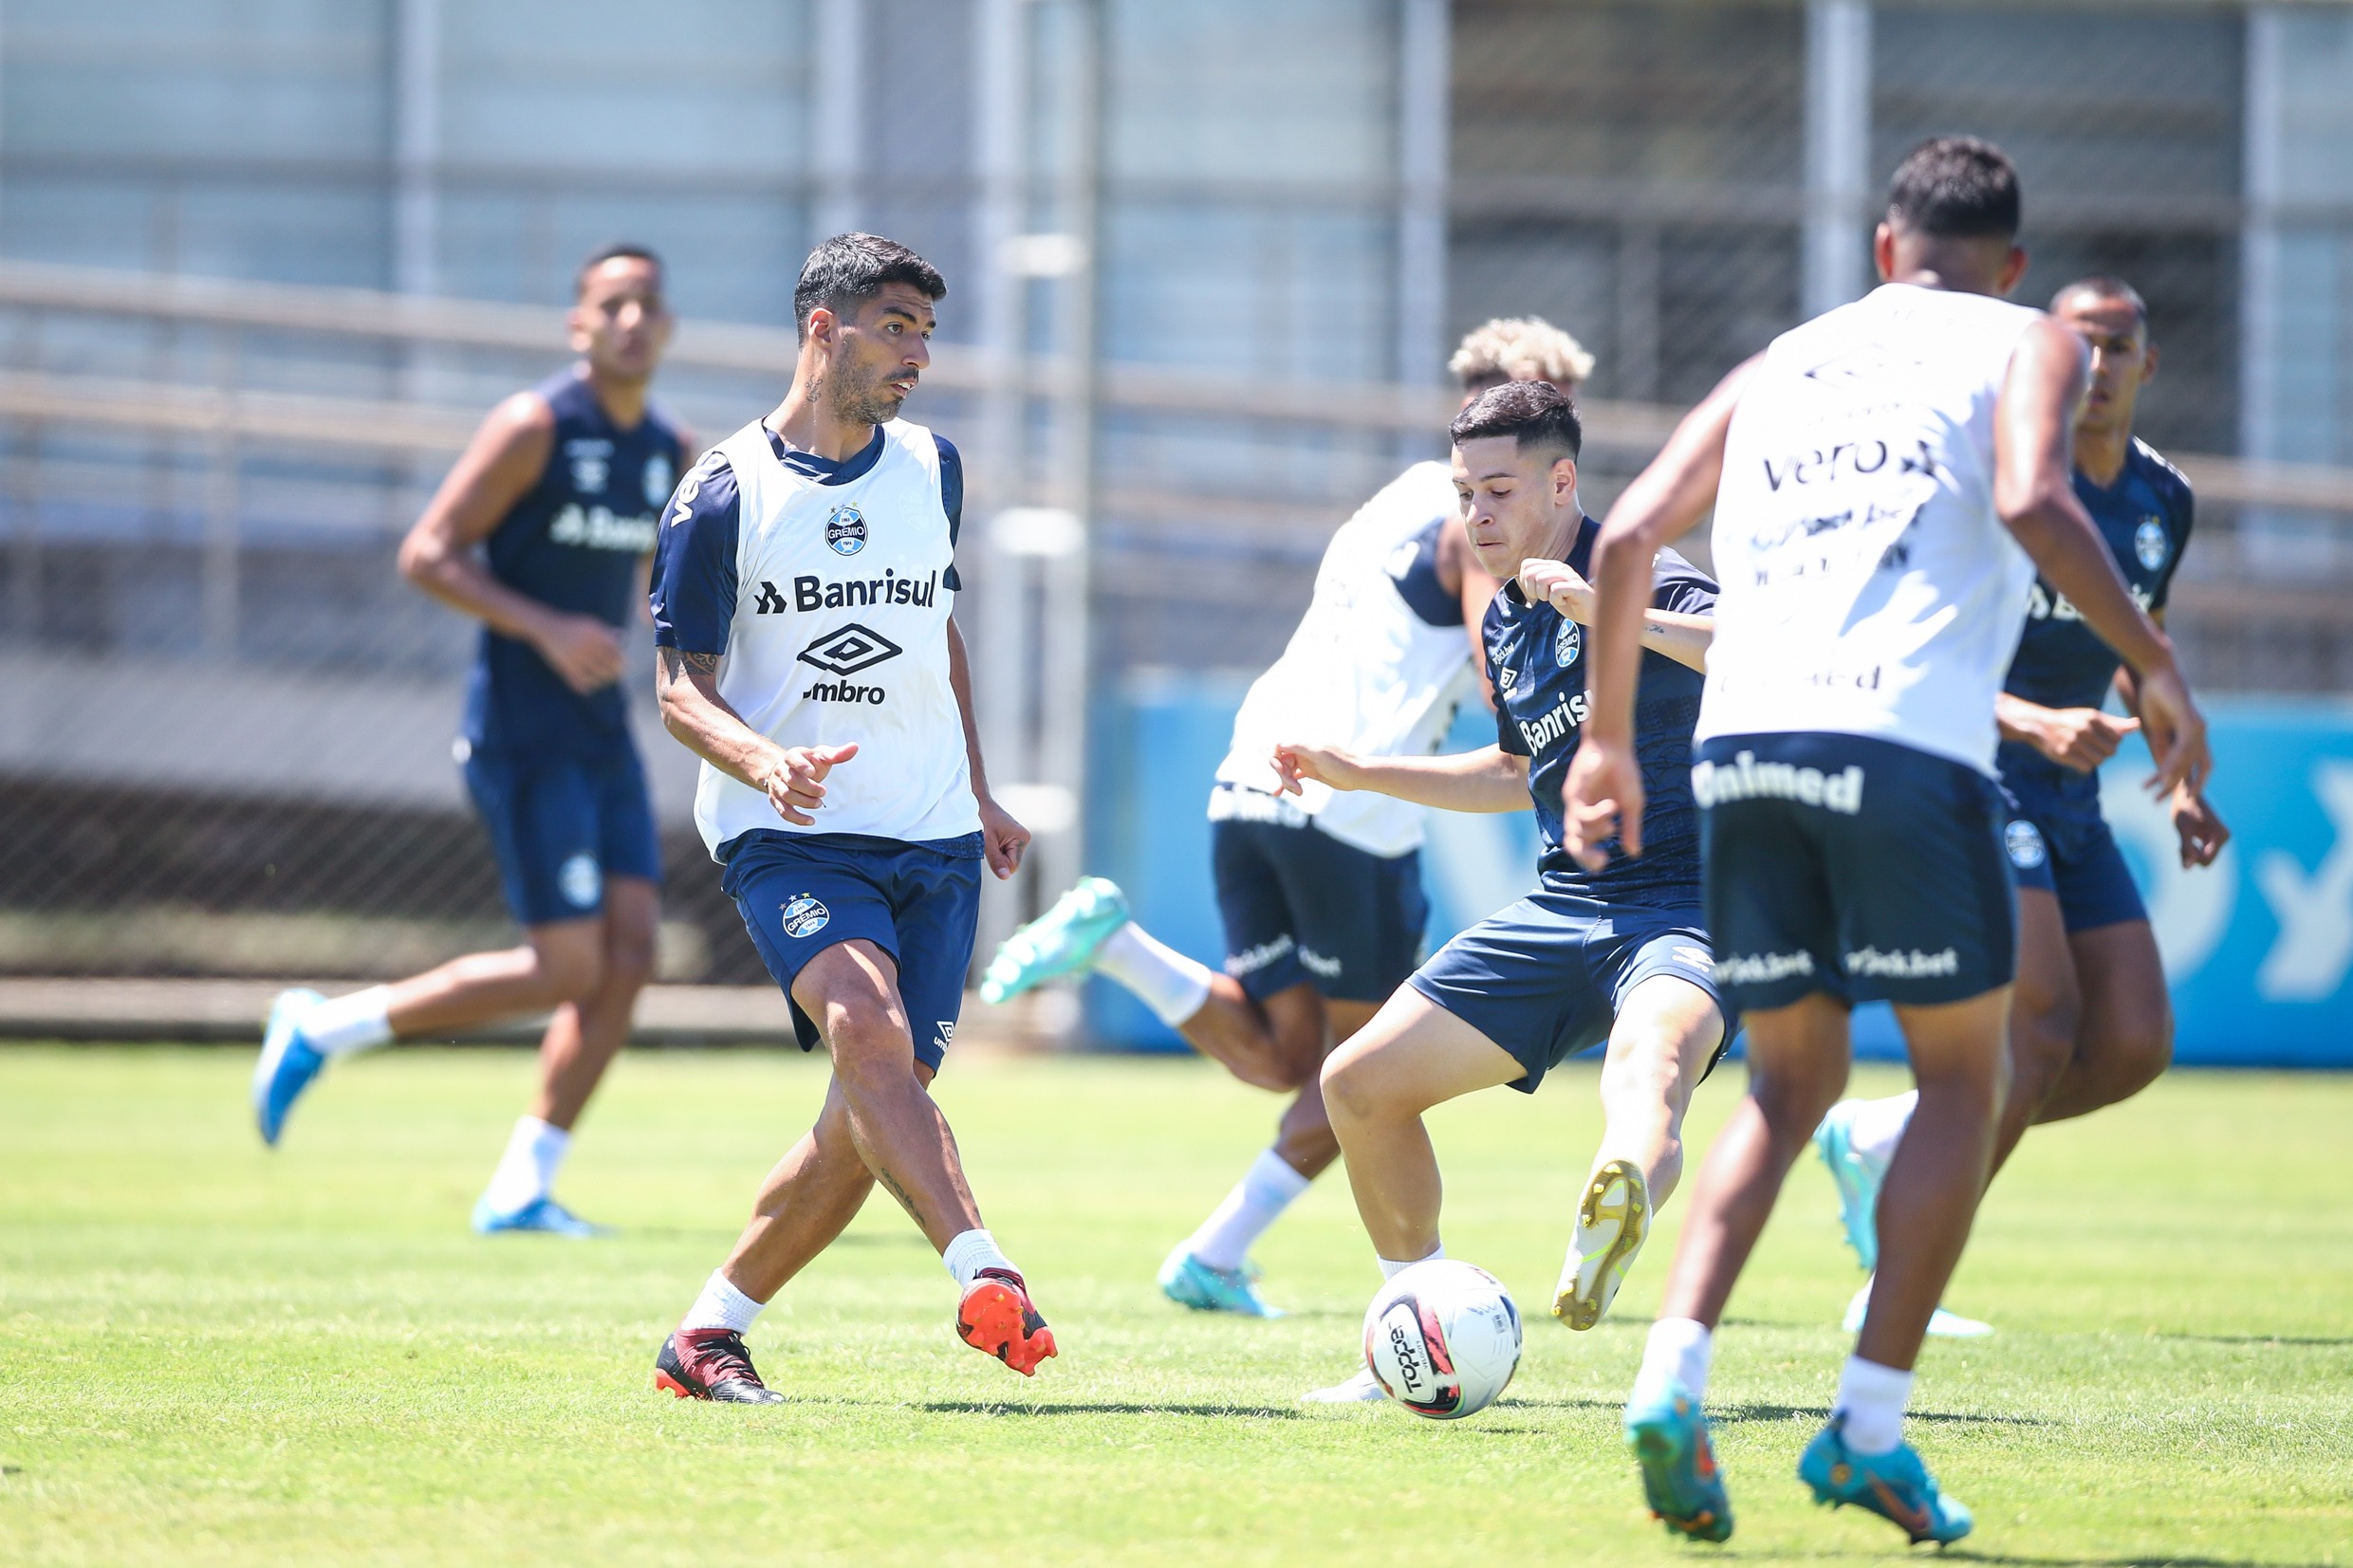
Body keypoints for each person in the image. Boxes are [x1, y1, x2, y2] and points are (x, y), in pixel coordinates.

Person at [1569, 138, 2209, 1544]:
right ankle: (1864, 1430)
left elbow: (1624, 545)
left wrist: (1609, 741)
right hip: (1906, 747)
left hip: (1739, 745)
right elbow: (2040, 504)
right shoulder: (2028, 342)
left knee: (1785, 1088)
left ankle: (1671, 1378)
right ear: (2017, 266)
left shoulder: (1784, 360)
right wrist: (2154, 663)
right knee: (1961, 1083)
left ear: (1880, 251)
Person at [975, 321, 1593, 1318]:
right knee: (1365, 1076)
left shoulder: (1387, 501)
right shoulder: (1480, 524)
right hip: (1348, 809)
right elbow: (1500, 655)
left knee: (1277, 1056)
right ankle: (1238, 1258)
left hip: (1250, 772)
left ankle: (1119, 945)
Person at [642, 233, 1045, 1403]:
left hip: (932, 835)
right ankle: (987, 1269)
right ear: (821, 328)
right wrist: (765, 762)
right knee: (869, 1040)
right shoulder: (725, 492)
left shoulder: (934, 467)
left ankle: (706, 1334)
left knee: (879, 1109)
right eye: (893, 326)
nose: (917, 353)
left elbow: (937, 637)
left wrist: (976, 793)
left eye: (925, 330)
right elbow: (678, 688)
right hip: (790, 835)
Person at [1288, 378, 1729, 1401]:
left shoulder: (1641, 569)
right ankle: (1417, 1323)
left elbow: (1753, 653)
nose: (1474, 517)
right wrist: (1362, 771)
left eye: (1496, 491)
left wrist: (1609, 610)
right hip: (1562, 908)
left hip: (1691, 905)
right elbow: (1510, 771)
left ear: (1561, 481)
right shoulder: (1505, 622)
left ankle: (1614, 1197)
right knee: (1357, 1086)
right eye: (1462, 494)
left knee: (1652, 1055)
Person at [1811, 273, 2228, 1337]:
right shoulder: (2003, 480)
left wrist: (2179, 771)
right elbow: (1913, 644)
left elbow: (2137, 646)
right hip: (1974, 764)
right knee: (2036, 1024)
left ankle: (1895, 1136)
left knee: (2130, 1042)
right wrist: (2029, 721)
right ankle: (1899, 1281)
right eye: (2074, 345)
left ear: (2146, 362)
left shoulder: (2160, 501)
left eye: (2115, 346)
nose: (2094, 367)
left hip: (2071, 791)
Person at [251, 244, 692, 1236]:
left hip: (603, 735)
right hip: (524, 734)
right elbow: (427, 553)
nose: (631, 319)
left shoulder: (668, 449)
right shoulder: (535, 425)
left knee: (628, 961)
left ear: (666, 329)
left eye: (647, 305)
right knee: (566, 969)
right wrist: (546, 625)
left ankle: (522, 1187)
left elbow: (664, 586)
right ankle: (326, 1028)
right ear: (579, 325)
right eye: (611, 304)